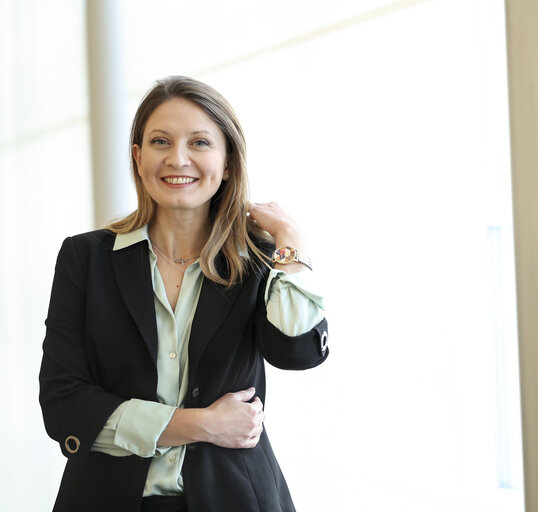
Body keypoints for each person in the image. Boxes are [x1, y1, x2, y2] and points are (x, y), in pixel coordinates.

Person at [39, 75, 329, 512]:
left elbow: (296, 351)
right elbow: (64, 404)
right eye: (160, 141)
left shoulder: (258, 261)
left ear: (228, 161)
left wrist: (291, 245)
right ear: (138, 157)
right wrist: (204, 425)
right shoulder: (86, 258)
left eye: (199, 143)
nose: (178, 159)